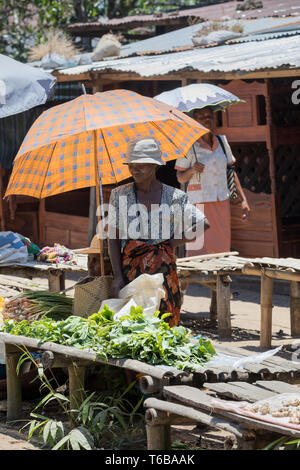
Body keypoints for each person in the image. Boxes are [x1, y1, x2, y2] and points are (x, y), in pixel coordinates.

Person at [107, 137, 209, 327]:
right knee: (131, 324)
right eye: (131, 165)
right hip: (131, 273)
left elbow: (203, 223)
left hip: (164, 273)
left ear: (154, 166)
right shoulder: (119, 194)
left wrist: (172, 243)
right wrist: (118, 277)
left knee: (164, 323)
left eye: (141, 165)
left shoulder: (175, 196)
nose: (134, 169)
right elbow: (113, 238)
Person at [175, 106, 250, 256]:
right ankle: (196, 278)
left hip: (221, 200)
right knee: (198, 246)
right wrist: (192, 170)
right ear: (194, 121)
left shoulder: (222, 142)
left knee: (221, 245)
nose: (206, 119)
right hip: (199, 203)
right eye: (201, 116)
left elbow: (231, 172)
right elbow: (180, 177)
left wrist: (243, 200)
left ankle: (219, 277)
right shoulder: (189, 146)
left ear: (214, 119)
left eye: (209, 116)